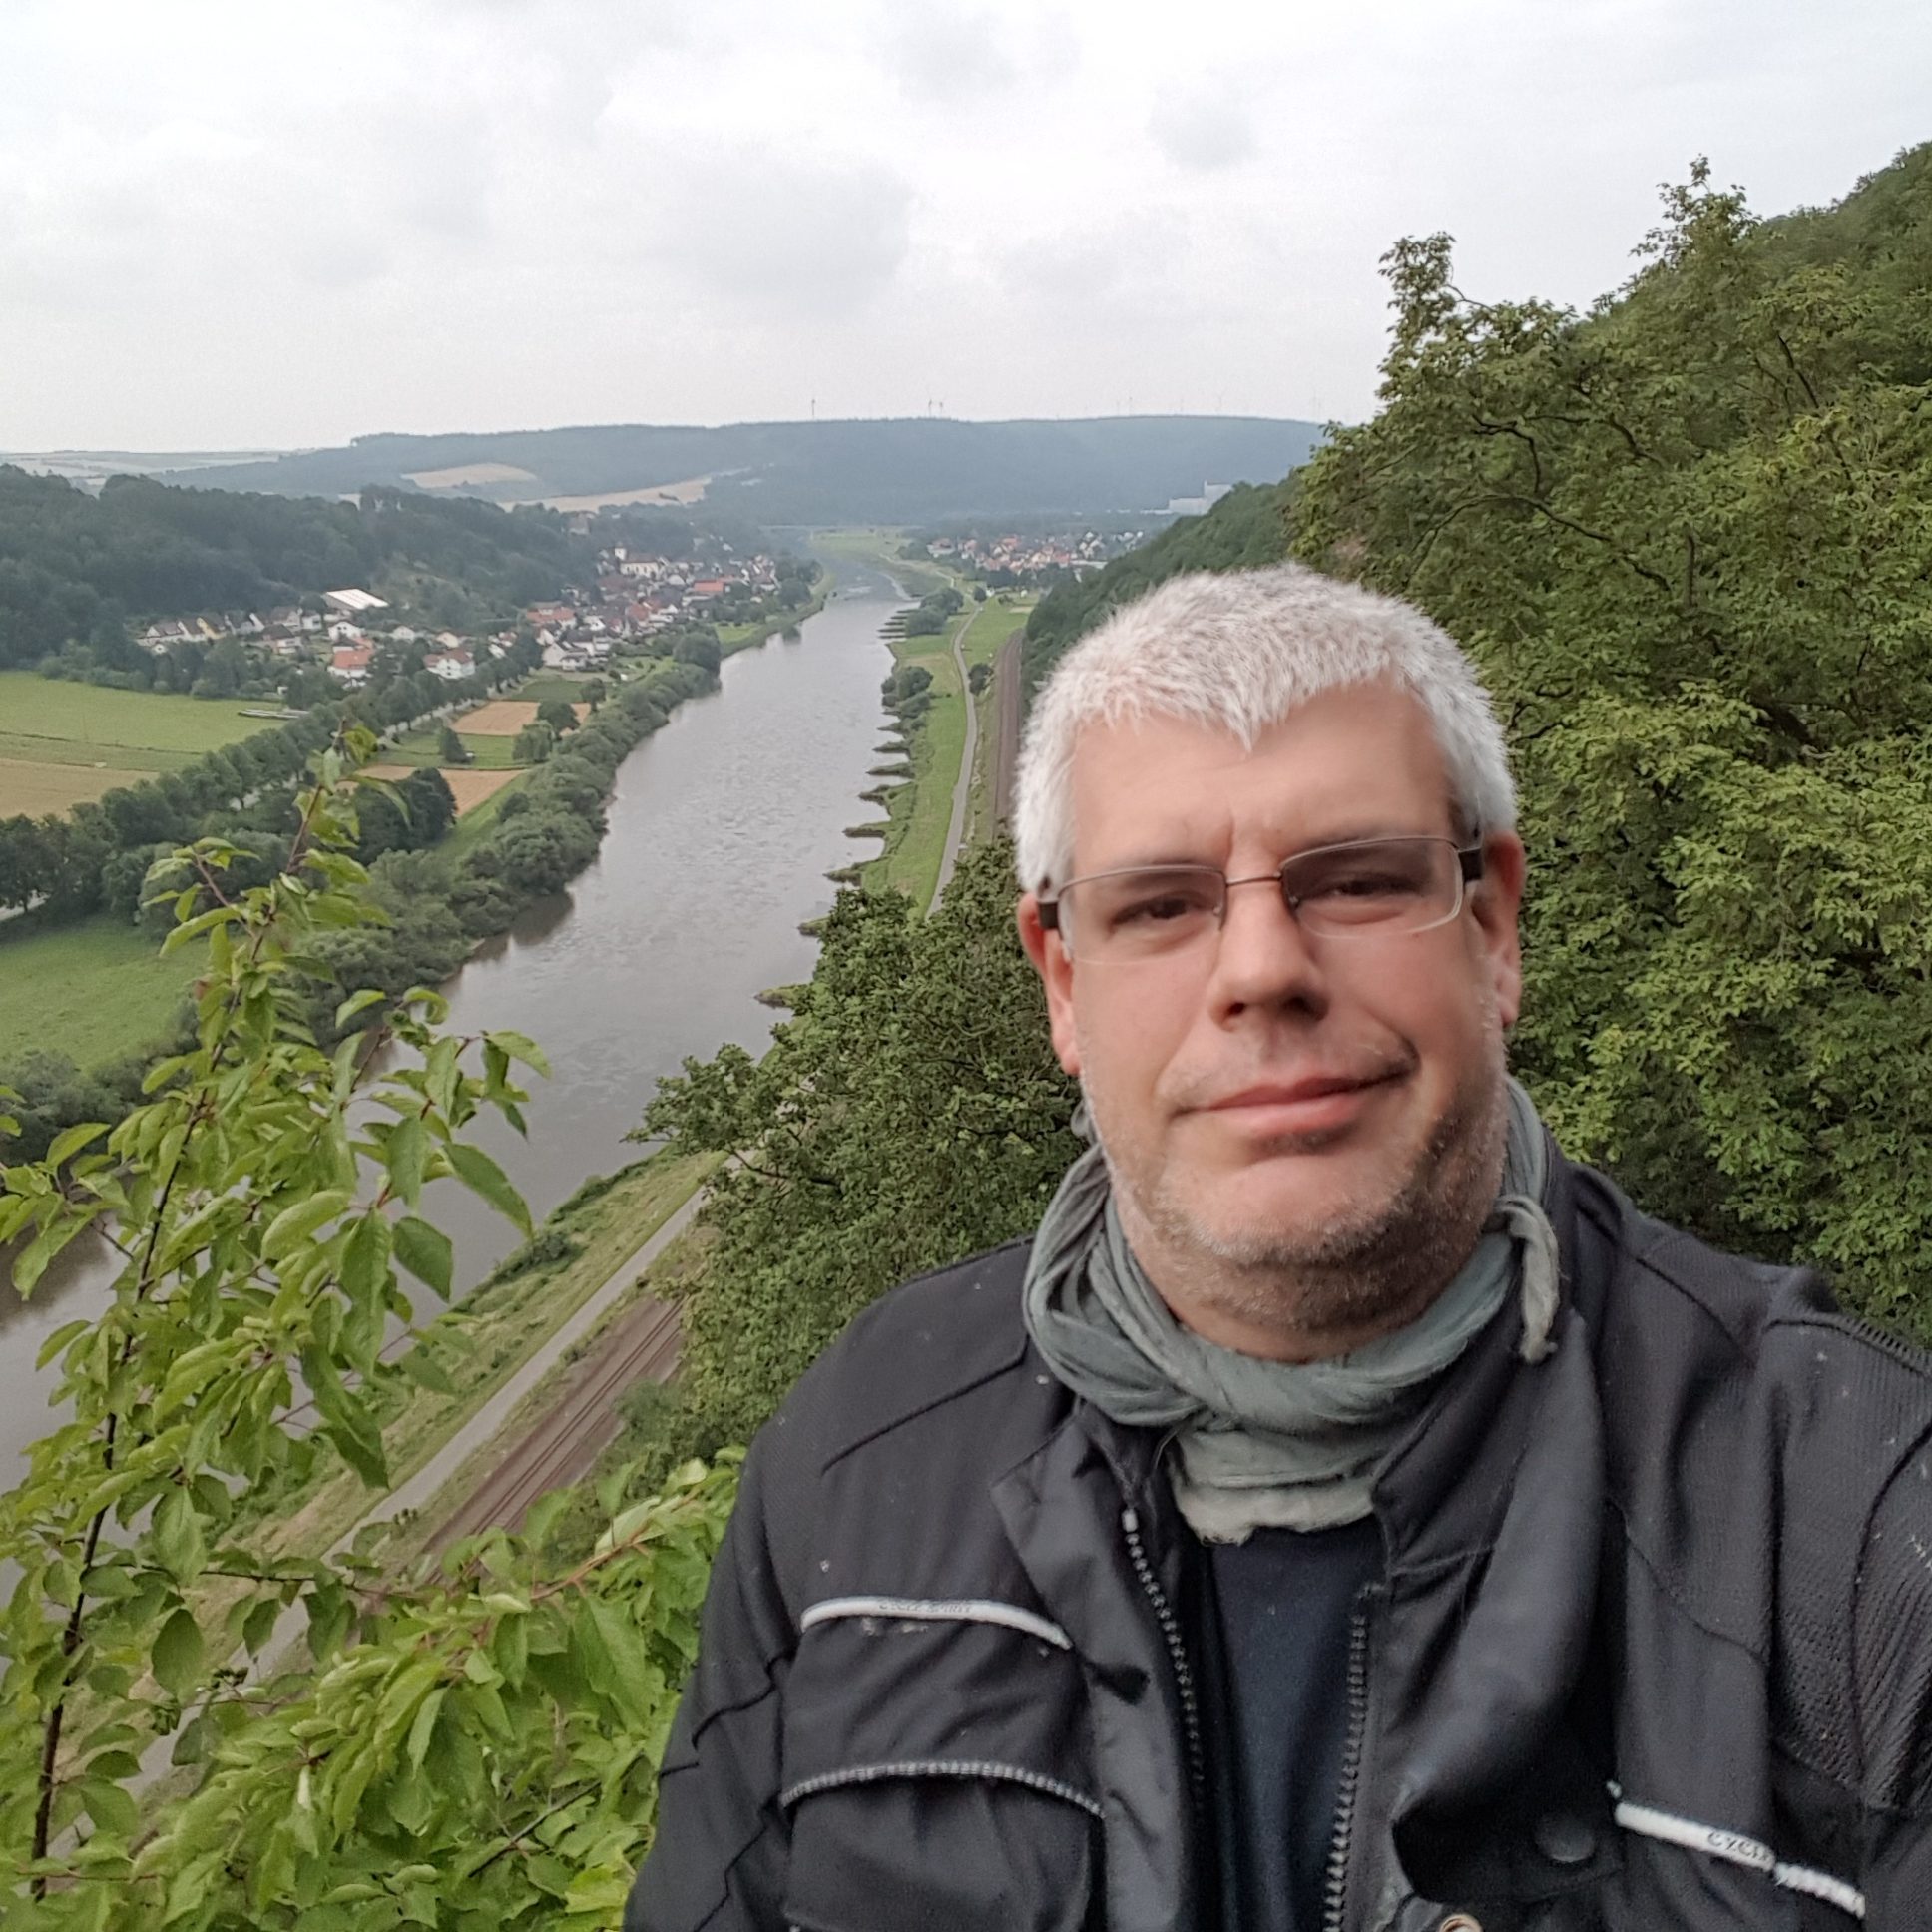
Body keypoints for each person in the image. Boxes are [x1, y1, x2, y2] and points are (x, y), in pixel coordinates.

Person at [629, 564, 1932, 1931]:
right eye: (1158, 905)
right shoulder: (859, 1453)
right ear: (1062, 981)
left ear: (1492, 928)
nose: (1261, 969)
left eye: (1356, 879)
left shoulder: (1861, 1539)